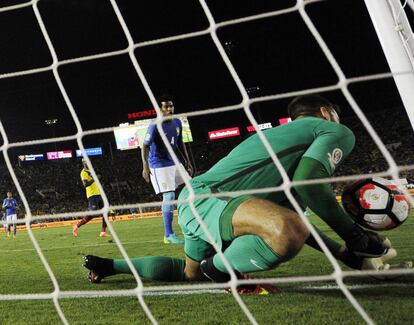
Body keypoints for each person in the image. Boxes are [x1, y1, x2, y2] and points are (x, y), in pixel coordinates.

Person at [84, 94, 393, 291]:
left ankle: (109, 265)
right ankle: (218, 269)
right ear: (326, 113)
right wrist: (355, 236)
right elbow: (304, 189)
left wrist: (343, 254)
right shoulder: (334, 130)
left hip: (201, 204)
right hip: (212, 199)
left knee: (189, 274)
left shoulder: (283, 146)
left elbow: (297, 213)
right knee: (287, 230)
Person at [141, 97, 193, 244]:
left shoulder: (177, 122)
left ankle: (193, 224)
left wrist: (187, 162)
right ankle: (168, 235)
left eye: (171, 107)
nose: (169, 110)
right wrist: (145, 166)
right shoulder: (154, 126)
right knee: (169, 196)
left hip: (175, 163)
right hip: (159, 165)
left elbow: (180, 142)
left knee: (193, 188)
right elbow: (144, 146)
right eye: (166, 107)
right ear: (159, 109)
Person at [73, 159, 110, 238]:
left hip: (98, 194)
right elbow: (85, 184)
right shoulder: (83, 172)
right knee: (93, 214)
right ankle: (76, 226)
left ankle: (103, 232)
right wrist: (95, 178)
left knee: (106, 212)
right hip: (92, 195)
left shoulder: (91, 171)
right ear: (83, 163)